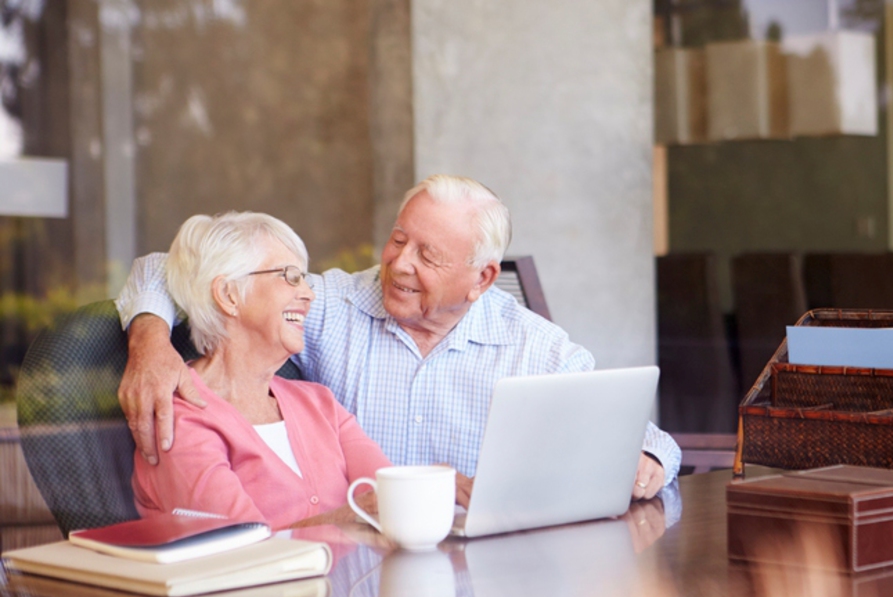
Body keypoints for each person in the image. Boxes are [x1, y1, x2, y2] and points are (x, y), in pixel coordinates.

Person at [117, 175, 680, 502]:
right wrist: (148, 342)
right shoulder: (330, 305)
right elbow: (179, 268)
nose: (399, 265)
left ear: (483, 277)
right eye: (397, 240)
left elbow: (645, 435)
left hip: (481, 586)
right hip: (357, 581)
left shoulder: (536, 348)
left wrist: (647, 457)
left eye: (427, 255)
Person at [130, 212, 392, 530]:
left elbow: (389, 500)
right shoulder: (178, 418)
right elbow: (242, 548)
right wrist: (352, 516)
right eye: (291, 276)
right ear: (228, 295)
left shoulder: (320, 403)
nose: (309, 293)